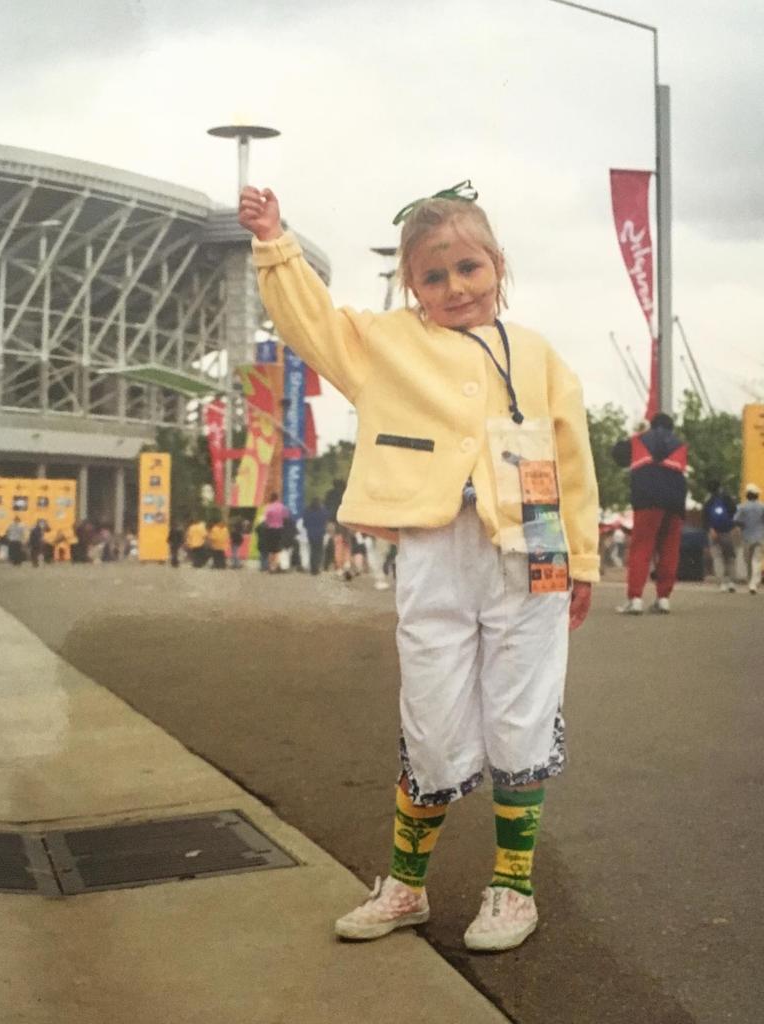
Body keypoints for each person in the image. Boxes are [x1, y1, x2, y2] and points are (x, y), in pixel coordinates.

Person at [239, 181, 599, 952]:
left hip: (531, 550)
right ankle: (405, 886)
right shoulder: (386, 345)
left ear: (498, 264)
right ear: (411, 285)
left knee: (522, 714)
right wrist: (276, 242)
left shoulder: (538, 354)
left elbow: (573, 458)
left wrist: (584, 556)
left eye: (469, 267)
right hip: (435, 550)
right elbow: (313, 323)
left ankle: (512, 885)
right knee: (430, 720)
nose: (455, 288)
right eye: (434, 277)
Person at [611, 412, 688, 614]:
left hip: (647, 498)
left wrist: (634, 434)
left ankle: (635, 598)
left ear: (652, 426)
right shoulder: (680, 444)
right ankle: (663, 599)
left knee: (642, 547)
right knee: (669, 549)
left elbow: (618, 455)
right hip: (675, 501)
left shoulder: (640, 440)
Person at [702, 480, 738, 592]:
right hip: (728, 531)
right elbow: (734, 511)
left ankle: (722, 583)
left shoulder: (708, 501)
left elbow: (704, 518)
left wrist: (710, 529)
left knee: (718, 557)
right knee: (730, 558)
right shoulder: (727, 498)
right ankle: (731, 582)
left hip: (714, 532)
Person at [733, 483, 764, 594]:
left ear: (747, 495)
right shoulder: (762, 506)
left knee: (748, 560)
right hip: (760, 537)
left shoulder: (742, 507)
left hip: (746, 537)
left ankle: (750, 580)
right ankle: (754, 583)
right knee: (757, 560)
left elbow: (736, 520)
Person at [262, 492, 290, 573]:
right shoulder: (282, 507)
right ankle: (275, 566)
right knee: (277, 549)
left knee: (270, 550)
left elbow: (266, 520)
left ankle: (271, 567)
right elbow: (286, 517)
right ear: (277, 498)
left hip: (270, 530)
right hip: (279, 530)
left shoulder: (268, 507)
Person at [302, 497, 329, 575]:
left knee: (312, 550)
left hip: (310, 533)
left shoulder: (307, 511)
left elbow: (304, 523)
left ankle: (313, 568)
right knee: (318, 551)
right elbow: (326, 519)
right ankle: (316, 567)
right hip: (320, 533)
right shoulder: (322, 511)